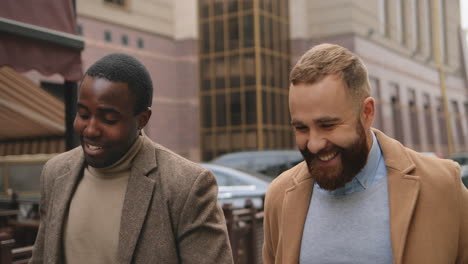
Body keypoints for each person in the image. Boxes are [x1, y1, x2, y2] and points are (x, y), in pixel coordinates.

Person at [262, 43, 468, 264]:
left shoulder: (442, 185)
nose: (313, 144)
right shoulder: (279, 196)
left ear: (367, 112)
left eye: (328, 125)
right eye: (301, 128)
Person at [30, 53, 233, 263]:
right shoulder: (54, 173)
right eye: (83, 115)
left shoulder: (187, 186)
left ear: (142, 120)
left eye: (108, 119)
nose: (90, 130)